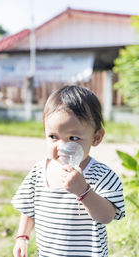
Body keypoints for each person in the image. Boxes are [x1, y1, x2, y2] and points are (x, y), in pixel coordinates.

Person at [12, 85, 125, 257]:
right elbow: (28, 209)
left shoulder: (102, 175)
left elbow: (106, 216)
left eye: (73, 138)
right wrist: (22, 236)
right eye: (53, 137)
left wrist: (84, 191)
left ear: (96, 137)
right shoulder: (38, 172)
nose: (62, 147)